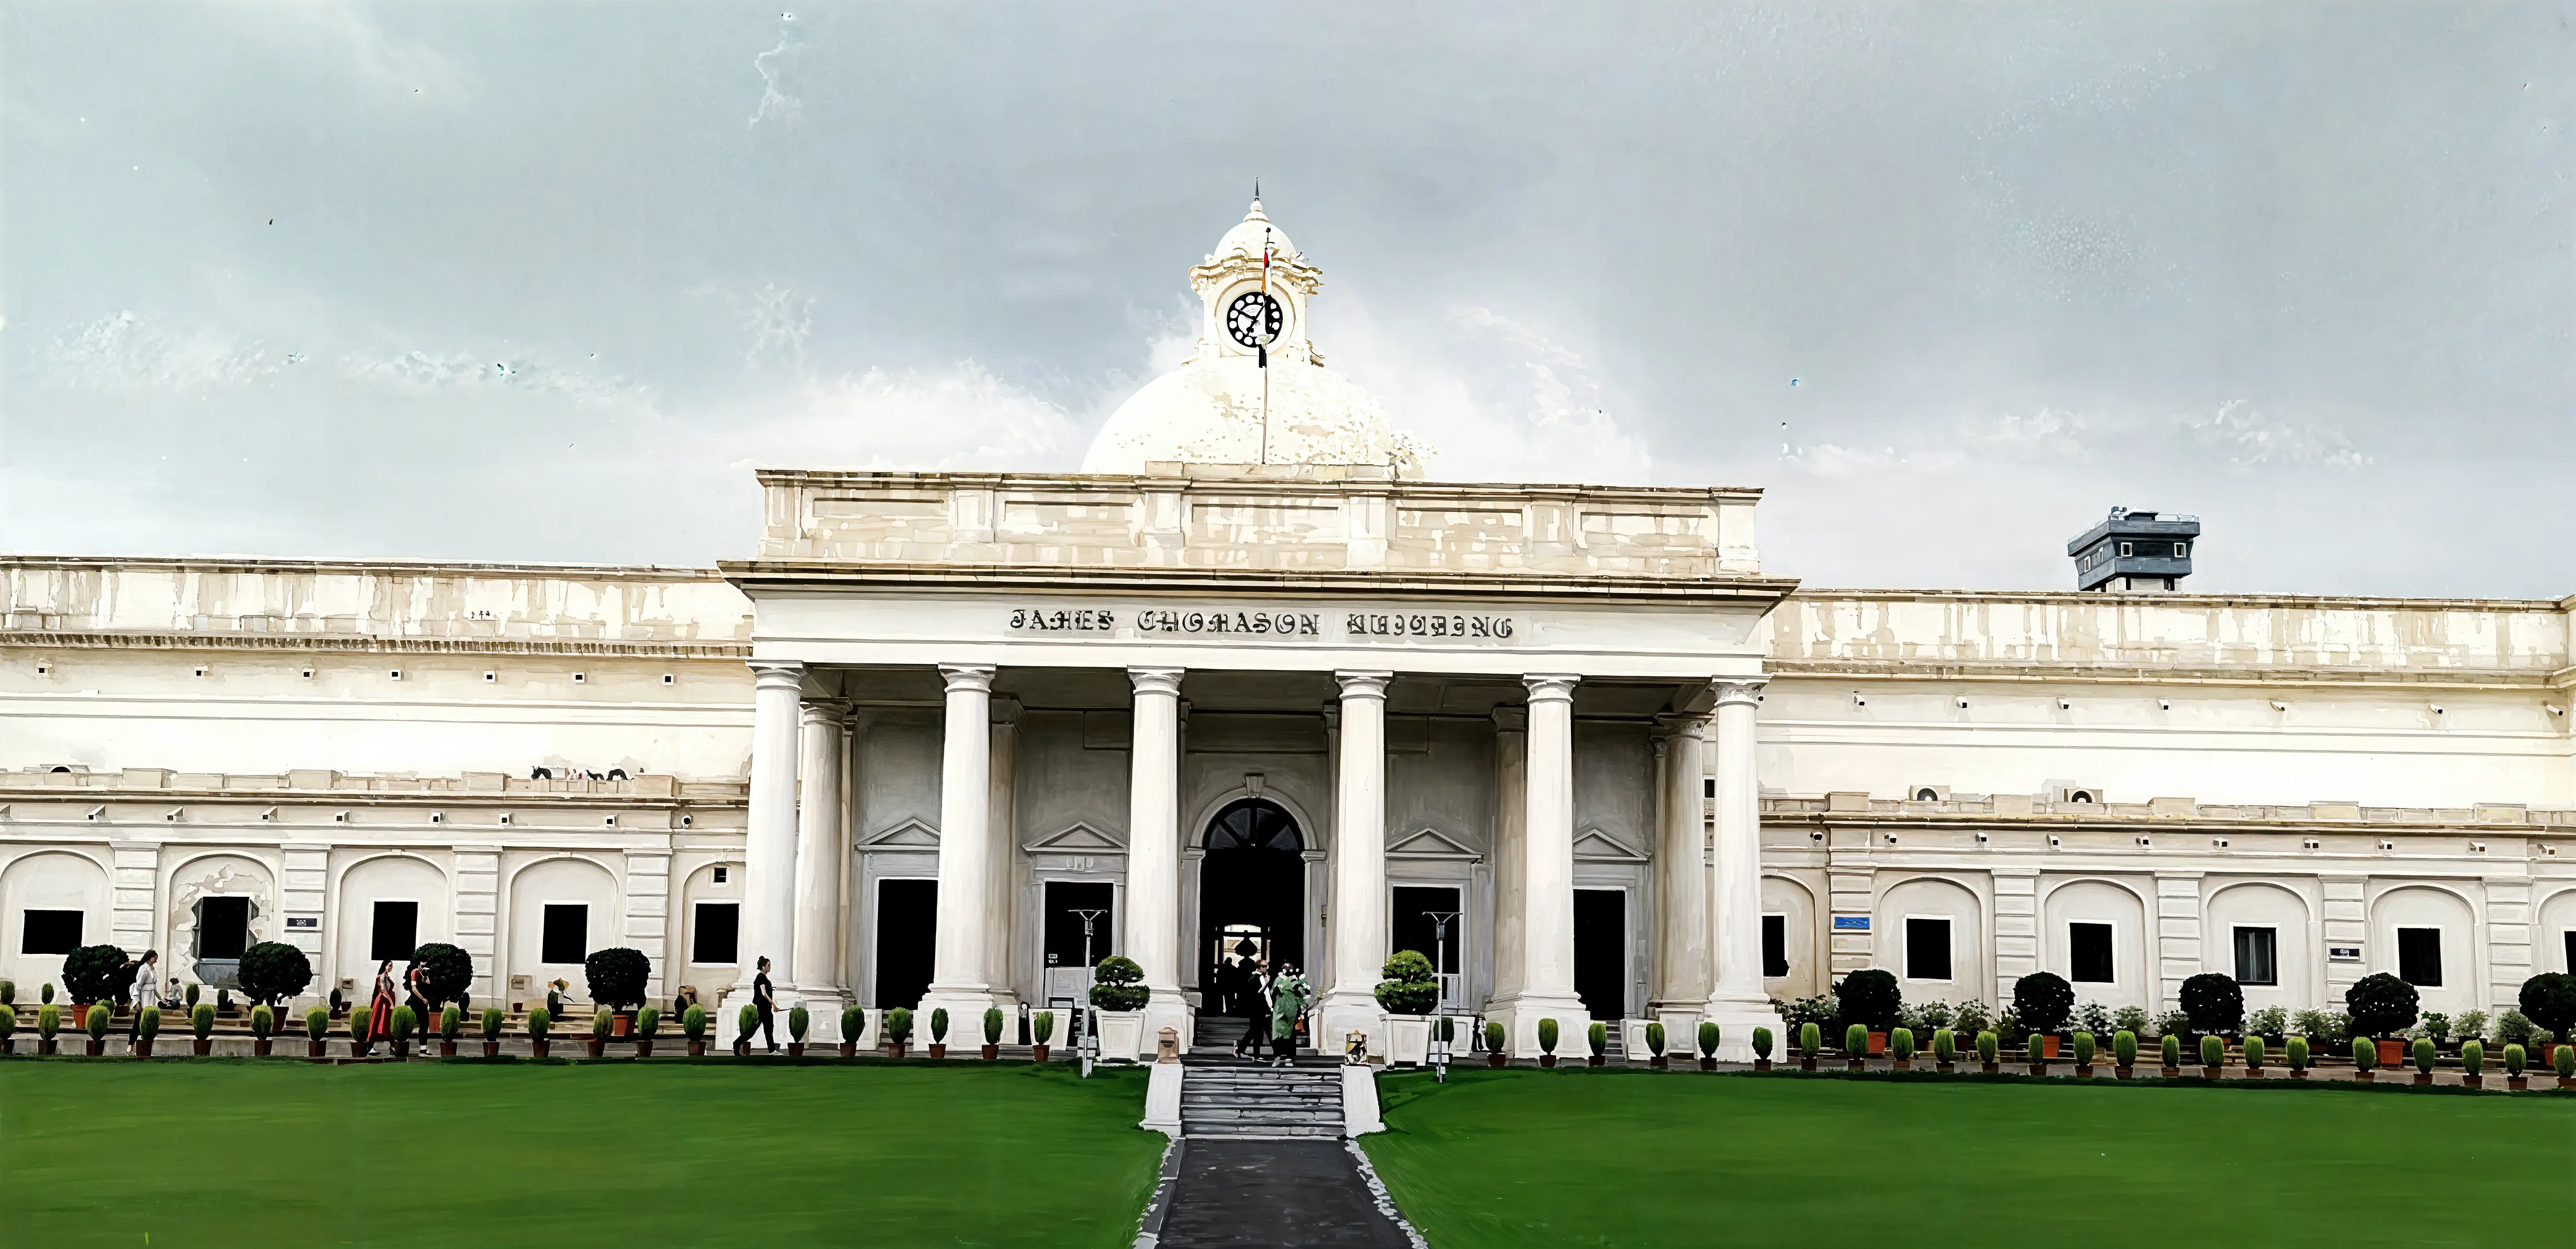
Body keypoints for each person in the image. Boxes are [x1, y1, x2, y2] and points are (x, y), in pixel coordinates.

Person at [1268, 965, 1311, 1068]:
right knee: (1286, 1033)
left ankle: (1281, 1057)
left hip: (1283, 1009)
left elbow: (1272, 993)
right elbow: (1302, 995)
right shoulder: (1296, 980)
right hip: (1286, 1010)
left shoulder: (1282, 980)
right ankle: (1287, 1058)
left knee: (1283, 1033)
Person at [1233, 958, 1272, 1058]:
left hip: (1261, 1010)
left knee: (1255, 1032)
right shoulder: (1255, 978)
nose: (1265, 968)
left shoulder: (1261, 978)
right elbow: (1257, 995)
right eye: (1263, 966)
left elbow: (1265, 995)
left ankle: (1243, 1051)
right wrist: (1266, 983)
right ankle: (1255, 1055)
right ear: (1258, 967)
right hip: (1257, 1010)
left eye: (1266, 966)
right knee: (1256, 1033)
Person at [127, 951, 162, 1041]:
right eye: (155, 958)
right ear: (149, 957)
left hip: (151, 996)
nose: (155, 960)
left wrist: (161, 998)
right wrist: (137, 1000)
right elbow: (138, 985)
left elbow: (154, 987)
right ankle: (132, 1043)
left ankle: (146, 1039)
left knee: (149, 1018)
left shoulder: (153, 970)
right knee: (141, 1017)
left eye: (156, 959)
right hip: (145, 995)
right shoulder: (143, 968)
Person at [746, 957, 779, 1054]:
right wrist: (774, 1005)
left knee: (768, 1029)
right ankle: (737, 1044)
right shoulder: (761, 977)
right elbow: (764, 994)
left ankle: (772, 1051)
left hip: (765, 1008)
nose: (770, 967)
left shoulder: (763, 977)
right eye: (768, 965)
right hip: (763, 1008)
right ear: (763, 967)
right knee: (756, 1029)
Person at [368, 960, 398, 1049]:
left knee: (386, 1024)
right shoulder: (383, 977)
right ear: (385, 966)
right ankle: (371, 1048)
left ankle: (391, 1046)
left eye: (392, 966)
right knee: (379, 1023)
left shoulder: (386, 977)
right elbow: (384, 992)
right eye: (389, 965)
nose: (391, 968)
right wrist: (392, 1004)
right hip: (383, 1003)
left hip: (385, 1002)